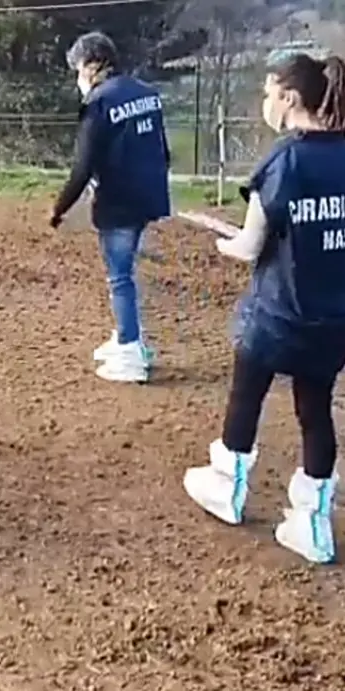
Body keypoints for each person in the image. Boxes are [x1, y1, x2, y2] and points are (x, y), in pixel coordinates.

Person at [183, 52, 345, 564]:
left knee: (245, 396)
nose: (265, 102)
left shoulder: (285, 160)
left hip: (278, 315)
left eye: (269, 92)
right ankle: (312, 523)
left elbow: (252, 245)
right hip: (334, 319)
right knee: (315, 412)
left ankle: (227, 487)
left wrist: (227, 244)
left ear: (290, 98)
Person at [49, 31, 172, 383]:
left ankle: (132, 351)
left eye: (78, 69)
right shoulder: (147, 94)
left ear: (91, 65)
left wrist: (59, 207)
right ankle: (125, 337)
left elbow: (83, 165)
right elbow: (162, 151)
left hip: (118, 201)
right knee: (124, 273)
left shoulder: (99, 103)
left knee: (119, 277)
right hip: (148, 195)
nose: (78, 77)